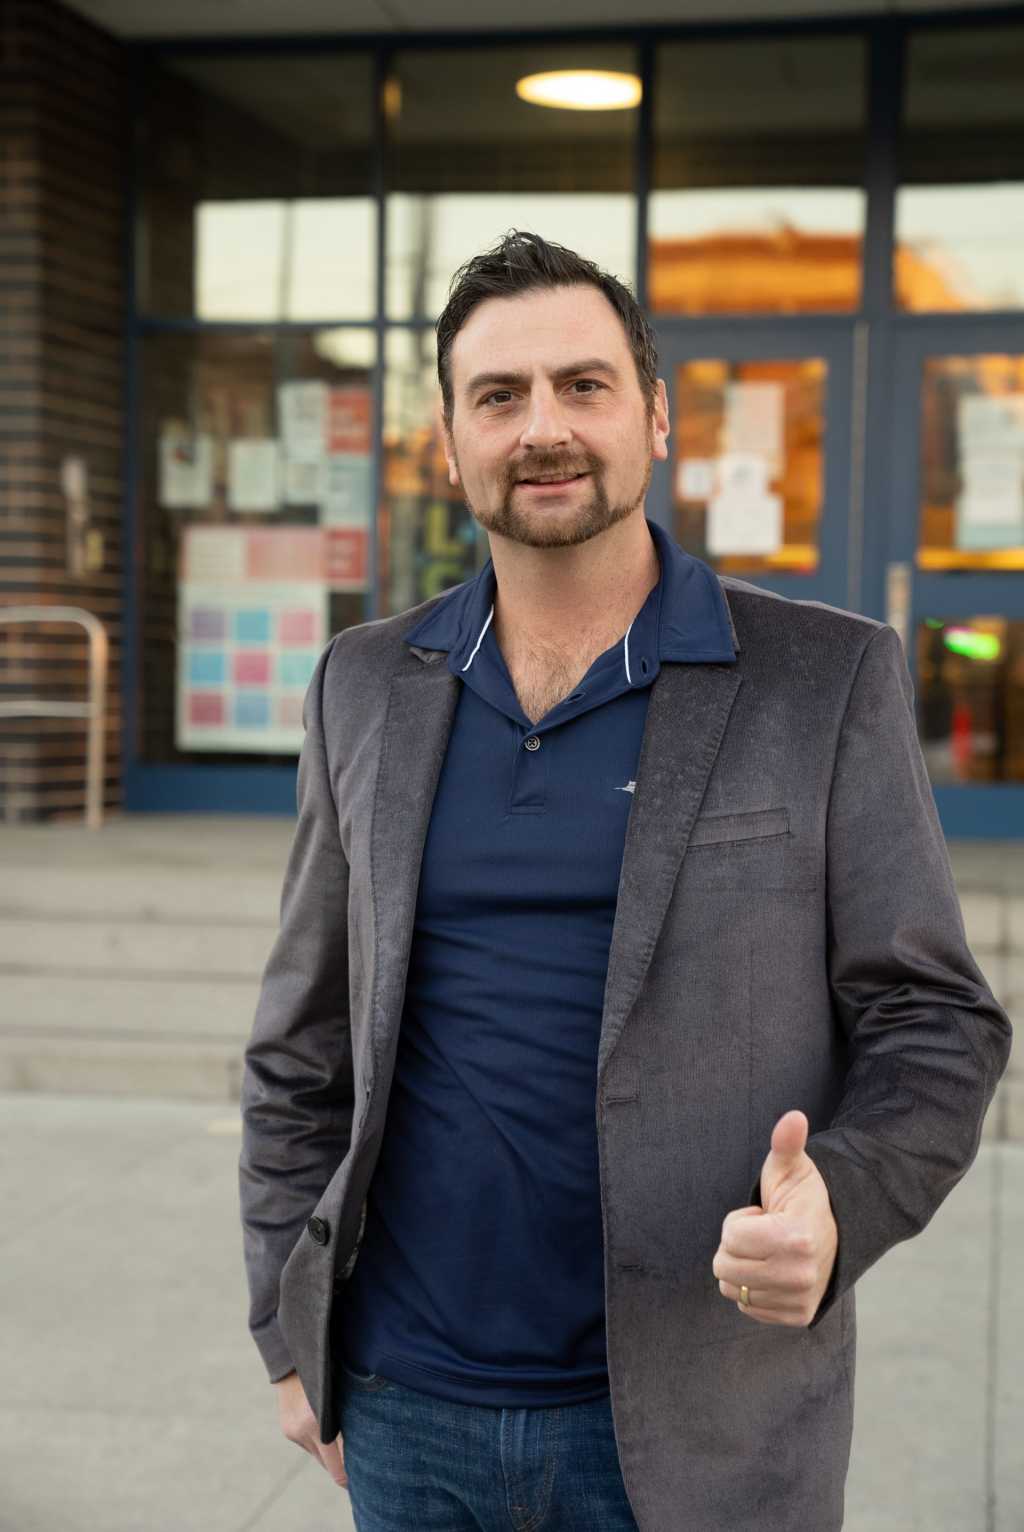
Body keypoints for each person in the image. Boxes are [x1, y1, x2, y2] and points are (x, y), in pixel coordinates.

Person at [238, 230, 1012, 1532]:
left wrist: (841, 1201)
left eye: (583, 386)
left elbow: (938, 1020)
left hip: (705, 1421)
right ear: (450, 443)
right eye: (499, 395)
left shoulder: (821, 677)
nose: (543, 427)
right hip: (407, 1407)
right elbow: (299, 1046)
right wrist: (283, 1326)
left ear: (654, 416)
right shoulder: (364, 684)